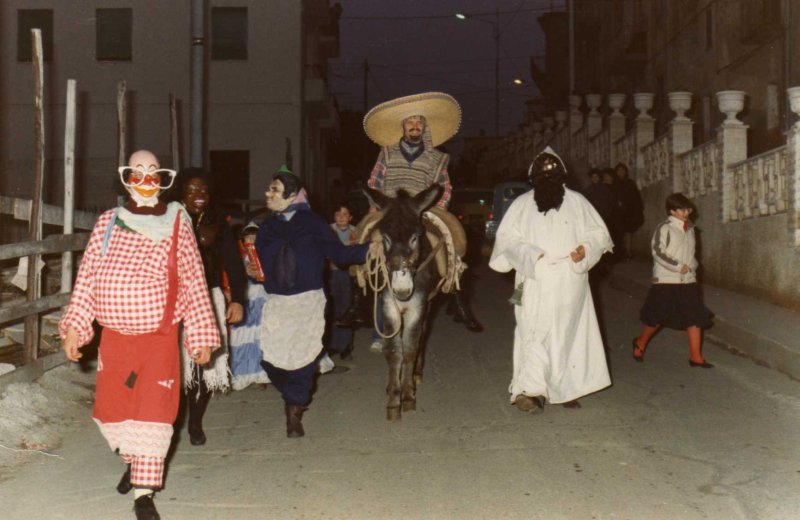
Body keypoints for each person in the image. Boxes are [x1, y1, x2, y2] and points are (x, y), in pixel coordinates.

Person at [59, 150, 220, 520]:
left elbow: (194, 281)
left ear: (163, 179)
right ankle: (136, 460)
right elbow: (87, 281)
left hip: (159, 336)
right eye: (138, 173)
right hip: (114, 338)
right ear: (127, 178)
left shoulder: (177, 221)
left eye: (153, 173)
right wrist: (74, 328)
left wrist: (201, 336)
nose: (146, 181)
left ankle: (144, 495)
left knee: (154, 412)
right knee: (112, 413)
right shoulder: (108, 222)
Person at [338, 91, 482, 332]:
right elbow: (374, 182)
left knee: (455, 237)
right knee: (360, 237)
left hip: (422, 207)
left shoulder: (438, 158)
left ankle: (457, 296)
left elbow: (445, 187)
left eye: (418, 122)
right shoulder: (386, 152)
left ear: (424, 126)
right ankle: (356, 303)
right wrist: (376, 206)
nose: (414, 126)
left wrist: (435, 208)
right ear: (402, 127)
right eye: (409, 122)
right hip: (389, 207)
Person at [248, 166, 373, 438]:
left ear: (291, 195)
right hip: (277, 302)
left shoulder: (314, 223)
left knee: (304, 360)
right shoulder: (267, 226)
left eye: (274, 190)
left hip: (308, 302)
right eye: (269, 189)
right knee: (272, 359)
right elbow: (258, 263)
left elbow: (338, 253)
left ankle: (294, 412)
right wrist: (255, 273)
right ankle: (293, 393)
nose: (267, 194)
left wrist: (369, 249)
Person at [489, 146, 613, 413]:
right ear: (533, 178)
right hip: (534, 277)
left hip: (569, 278)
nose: (548, 180)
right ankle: (531, 390)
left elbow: (598, 235)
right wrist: (531, 255)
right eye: (542, 176)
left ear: (562, 177)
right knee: (533, 330)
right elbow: (507, 241)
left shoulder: (578, 202)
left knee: (565, 334)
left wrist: (585, 249)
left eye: (553, 175)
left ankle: (563, 388)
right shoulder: (521, 205)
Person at [177, 168, 247, 445]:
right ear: (181, 191)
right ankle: (173, 417)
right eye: (192, 189)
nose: (198, 195)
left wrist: (238, 299)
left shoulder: (218, 223)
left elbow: (233, 263)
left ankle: (195, 421)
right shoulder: (169, 219)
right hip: (175, 301)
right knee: (175, 364)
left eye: (203, 190)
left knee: (204, 363)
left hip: (210, 297)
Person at [632, 193, 714, 368]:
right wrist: (678, 266)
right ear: (672, 211)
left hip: (688, 280)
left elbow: (693, 254)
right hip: (667, 279)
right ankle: (640, 342)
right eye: (682, 210)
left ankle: (696, 357)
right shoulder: (665, 228)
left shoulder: (691, 229)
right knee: (657, 316)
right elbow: (657, 252)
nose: (686, 213)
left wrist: (693, 267)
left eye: (688, 209)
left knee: (694, 316)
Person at [228, 222, 272, 390]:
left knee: (260, 337)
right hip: (247, 298)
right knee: (244, 338)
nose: (252, 241)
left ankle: (262, 373)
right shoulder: (239, 258)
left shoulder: (265, 255)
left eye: (255, 237)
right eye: (248, 237)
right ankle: (242, 373)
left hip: (262, 298)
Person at [327, 203, 358, 360]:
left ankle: (345, 345)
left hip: (346, 274)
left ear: (350, 217)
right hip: (330, 273)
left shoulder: (355, 232)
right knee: (332, 308)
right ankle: (333, 344)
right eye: (338, 214)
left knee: (345, 308)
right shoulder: (328, 230)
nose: (341, 218)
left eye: (345, 214)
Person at [613, 162, 645, 260]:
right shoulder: (614, 183)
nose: (620, 172)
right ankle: (619, 252)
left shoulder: (630, 183)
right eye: (618, 170)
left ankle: (628, 251)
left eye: (622, 170)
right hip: (617, 211)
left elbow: (636, 197)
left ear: (625, 172)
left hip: (628, 211)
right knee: (618, 232)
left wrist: (637, 209)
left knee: (628, 232)